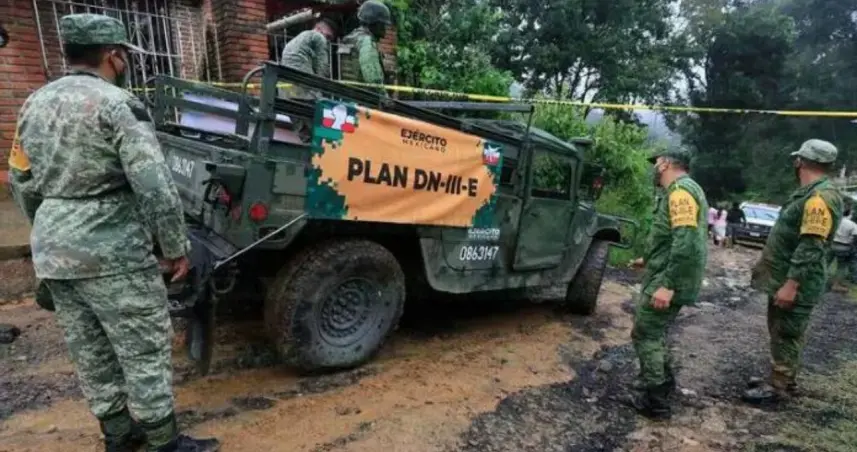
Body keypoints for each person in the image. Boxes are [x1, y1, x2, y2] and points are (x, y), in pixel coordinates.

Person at [8, 13, 219, 452]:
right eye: (124, 55)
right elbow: (153, 184)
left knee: (91, 350)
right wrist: (174, 246)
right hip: (113, 250)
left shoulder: (33, 104)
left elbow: (20, 179)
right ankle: (163, 443)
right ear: (113, 56)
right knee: (143, 348)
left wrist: (50, 229)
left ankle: (119, 438)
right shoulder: (118, 105)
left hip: (54, 249)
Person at [744, 139, 844, 405]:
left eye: (796, 160)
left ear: (800, 162)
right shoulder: (810, 193)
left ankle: (780, 387)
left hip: (796, 281)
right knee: (781, 330)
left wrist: (792, 284)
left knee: (787, 332)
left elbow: (812, 244)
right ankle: (780, 376)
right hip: (784, 277)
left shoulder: (819, 198)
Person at [628, 148, 709, 419]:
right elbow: (671, 236)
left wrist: (668, 285)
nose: (654, 168)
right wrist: (648, 258)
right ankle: (663, 384)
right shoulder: (681, 190)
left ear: (664, 164)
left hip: (669, 279)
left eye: (656, 163)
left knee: (645, 334)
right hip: (666, 273)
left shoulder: (680, 192)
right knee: (655, 332)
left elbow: (686, 242)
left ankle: (656, 401)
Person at [339, 0, 391, 95]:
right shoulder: (366, 41)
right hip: (363, 98)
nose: (384, 29)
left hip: (348, 95)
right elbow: (372, 77)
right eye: (383, 25)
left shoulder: (350, 38)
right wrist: (384, 97)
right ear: (375, 23)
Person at [279, 16, 339, 98]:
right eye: (328, 36)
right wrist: (324, 84)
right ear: (318, 29)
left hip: (286, 83)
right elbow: (322, 66)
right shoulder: (319, 37)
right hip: (302, 82)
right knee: (319, 97)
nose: (328, 41)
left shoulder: (301, 36)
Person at [829, 207, 857, 292]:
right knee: (841, 266)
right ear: (850, 214)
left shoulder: (836, 221)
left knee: (826, 263)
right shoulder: (853, 225)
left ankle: (819, 280)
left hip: (832, 245)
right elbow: (855, 237)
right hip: (844, 247)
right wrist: (852, 247)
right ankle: (836, 285)